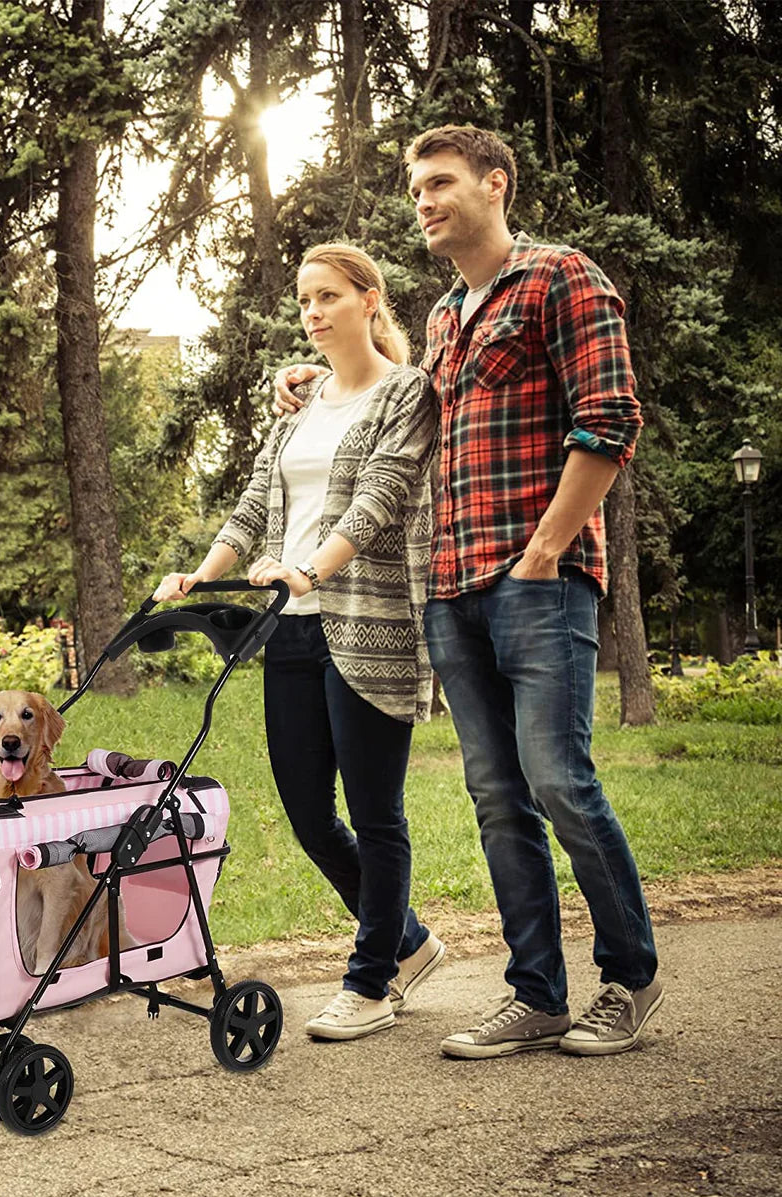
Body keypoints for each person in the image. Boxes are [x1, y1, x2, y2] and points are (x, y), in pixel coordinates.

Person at [274, 126, 662, 1059]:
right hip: (450, 589)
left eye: (441, 182)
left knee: (558, 780)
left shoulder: (562, 276)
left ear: (496, 184)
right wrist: (314, 378)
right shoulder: (449, 314)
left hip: (538, 580)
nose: (424, 199)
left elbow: (610, 419)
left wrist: (547, 549)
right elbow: (399, 403)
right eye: (416, 187)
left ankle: (630, 976)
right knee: (497, 797)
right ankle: (537, 994)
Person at [155, 243, 445, 1041]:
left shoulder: (406, 393)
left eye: (328, 297)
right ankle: (409, 941)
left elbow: (383, 497)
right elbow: (254, 505)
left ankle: (372, 980)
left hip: (370, 622)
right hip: (291, 626)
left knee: (376, 813)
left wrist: (312, 569)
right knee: (309, 816)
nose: (314, 314)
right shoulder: (302, 406)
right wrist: (200, 574)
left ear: (368, 300)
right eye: (305, 301)